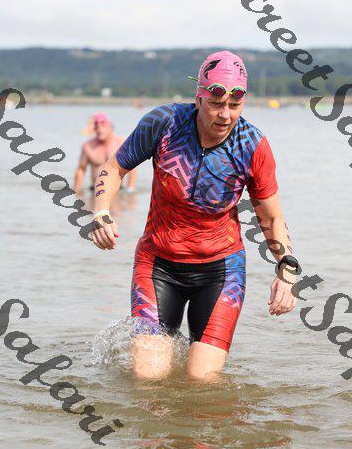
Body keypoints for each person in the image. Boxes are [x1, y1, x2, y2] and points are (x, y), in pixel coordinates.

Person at [91, 51, 299, 381]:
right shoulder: (165, 124)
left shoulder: (252, 145)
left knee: (202, 383)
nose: (225, 115)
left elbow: (271, 218)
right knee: (147, 379)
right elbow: (115, 167)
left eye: (235, 105)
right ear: (199, 97)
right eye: (216, 104)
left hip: (221, 271)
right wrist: (101, 212)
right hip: (158, 265)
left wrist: (287, 269)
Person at [74, 112, 137, 193]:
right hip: (94, 191)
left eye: (103, 126)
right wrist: (77, 191)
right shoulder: (87, 146)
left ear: (111, 127)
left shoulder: (121, 144)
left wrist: (130, 189)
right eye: (97, 127)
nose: (99, 130)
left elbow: (132, 168)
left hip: (117, 191)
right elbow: (81, 169)